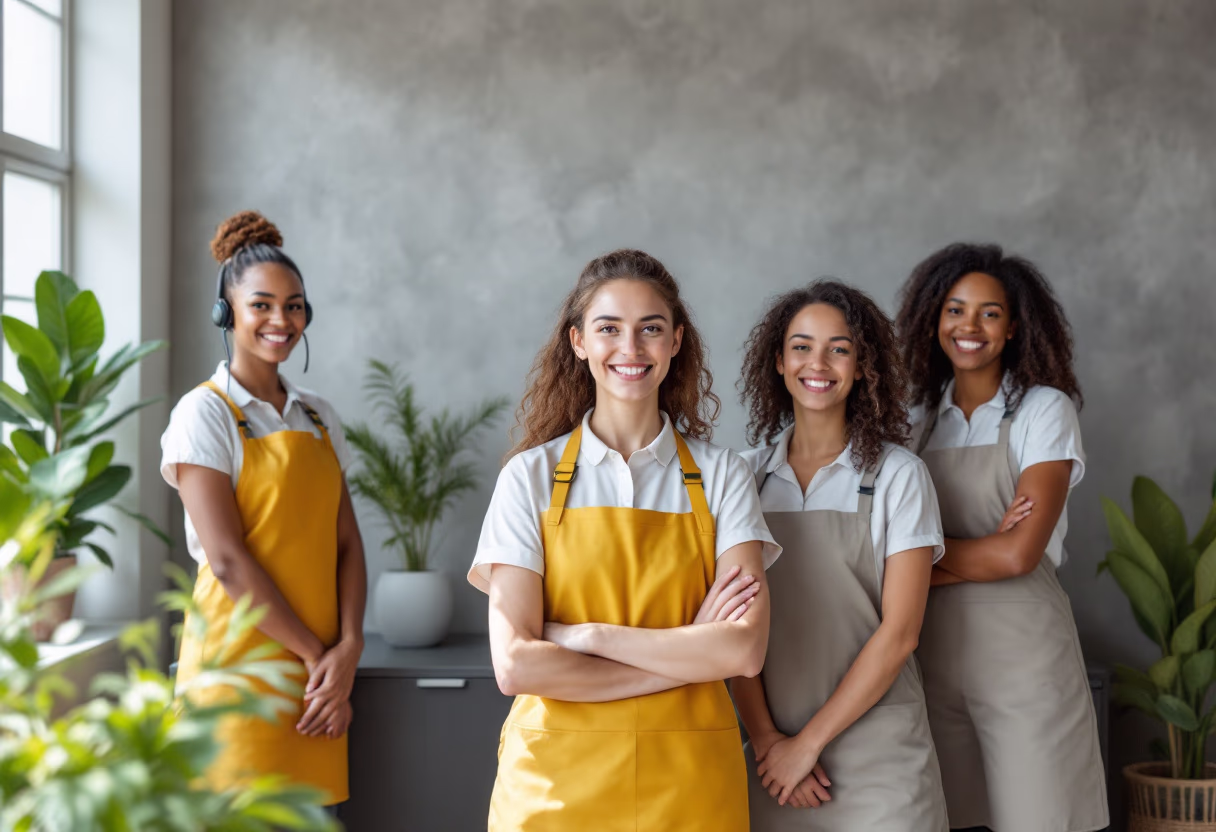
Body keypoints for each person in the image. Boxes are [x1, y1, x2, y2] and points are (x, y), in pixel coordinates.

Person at [469, 249, 779, 831]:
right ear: (578, 342)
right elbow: (515, 666)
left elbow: (742, 651)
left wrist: (589, 637)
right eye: (609, 328)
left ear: (676, 342)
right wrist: (690, 653)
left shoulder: (722, 476)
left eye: (650, 329)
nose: (630, 349)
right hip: (553, 787)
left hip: (689, 783)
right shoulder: (529, 478)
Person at [895, 242, 1108, 831]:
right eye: (956, 309)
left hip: (1025, 663)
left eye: (990, 313)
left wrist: (925, 561)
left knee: (1040, 817)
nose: (970, 326)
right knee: (952, 818)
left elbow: (1018, 552)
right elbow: (893, 555)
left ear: (1014, 327)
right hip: (934, 658)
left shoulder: (1044, 411)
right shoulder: (918, 426)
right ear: (933, 319)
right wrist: (978, 552)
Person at [160, 210, 366, 808]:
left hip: (321, 678)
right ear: (227, 313)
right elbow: (226, 560)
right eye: (262, 305)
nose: (282, 320)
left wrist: (349, 648)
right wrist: (316, 657)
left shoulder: (321, 416)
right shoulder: (204, 414)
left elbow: (347, 544)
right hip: (239, 671)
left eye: (295, 305)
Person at [734, 280, 948, 830]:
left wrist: (808, 745)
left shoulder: (901, 476)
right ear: (779, 362)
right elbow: (728, 626)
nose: (819, 363)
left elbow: (900, 633)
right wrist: (768, 743)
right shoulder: (740, 478)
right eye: (802, 346)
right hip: (769, 757)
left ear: (862, 365)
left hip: (880, 753)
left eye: (840, 348)